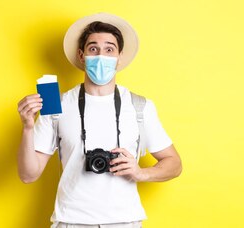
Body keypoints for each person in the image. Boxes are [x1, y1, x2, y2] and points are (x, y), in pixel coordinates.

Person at [16, 13, 182, 228]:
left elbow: (174, 164)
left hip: (125, 222)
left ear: (119, 57)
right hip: (71, 221)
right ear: (81, 55)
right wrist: (27, 127)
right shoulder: (56, 105)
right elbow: (28, 175)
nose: (101, 56)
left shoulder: (140, 106)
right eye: (93, 49)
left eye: (109, 49)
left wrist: (140, 172)